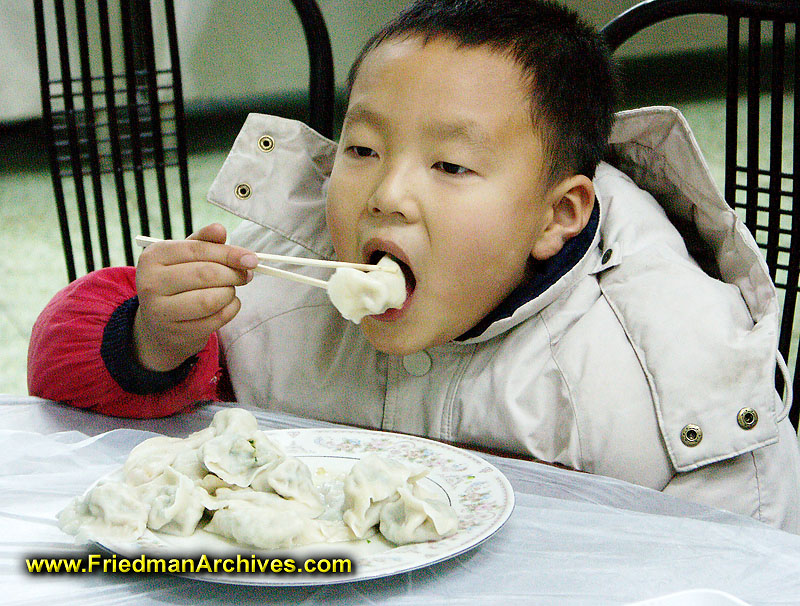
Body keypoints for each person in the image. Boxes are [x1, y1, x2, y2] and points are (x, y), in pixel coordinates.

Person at [28, 0, 800, 531]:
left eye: (452, 166)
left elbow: (739, 553)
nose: (387, 194)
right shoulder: (282, 288)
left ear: (556, 214)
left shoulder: (671, 374)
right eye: (362, 150)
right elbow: (67, 395)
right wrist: (149, 339)